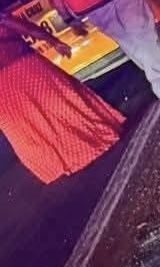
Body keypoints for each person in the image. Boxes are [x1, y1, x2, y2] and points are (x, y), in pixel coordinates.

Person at [0, 9, 124, 184]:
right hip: (23, 68)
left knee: (26, 126)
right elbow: (25, 28)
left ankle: (57, 164)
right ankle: (89, 143)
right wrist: (53, 41)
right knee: (60, 103)